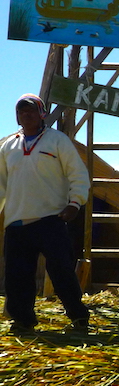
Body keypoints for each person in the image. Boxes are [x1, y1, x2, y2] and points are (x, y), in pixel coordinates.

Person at [0, 94, 91, 333]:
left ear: (42, 113)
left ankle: (78, 316)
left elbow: (78, 175)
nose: (26, 115)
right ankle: (23, 320)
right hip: (16, 221)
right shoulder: (7, 145)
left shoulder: (57, 141)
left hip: (51, 218)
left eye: (31, 111)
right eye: (21, 111)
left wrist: (75, 203)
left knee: (61, 271)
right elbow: (0, 183)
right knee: (17, 275)